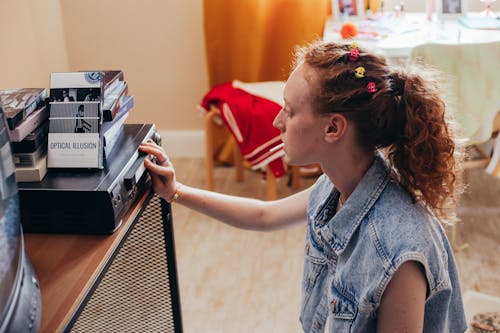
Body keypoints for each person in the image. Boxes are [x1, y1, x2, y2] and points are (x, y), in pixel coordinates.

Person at [139, 41, 467, 332]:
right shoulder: (338, 186)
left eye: (290, 111)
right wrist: (176, 191)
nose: (277, 121)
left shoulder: (399, 252)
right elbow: (264, 216)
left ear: (333, 128)